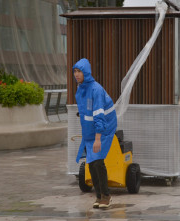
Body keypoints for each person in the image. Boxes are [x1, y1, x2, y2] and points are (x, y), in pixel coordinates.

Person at [73, 58, 117, 209]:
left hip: (104, 127)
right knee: (91, 162)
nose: (76, 74)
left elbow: (99, 115)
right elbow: (87, 109)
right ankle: (99, 196)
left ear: (86, 72)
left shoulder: (95, 89)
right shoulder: (81, 88)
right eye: (75, 71)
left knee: (97, 160)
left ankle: (106, 195)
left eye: (79, 71)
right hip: (91, 128)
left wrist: (98, 138)